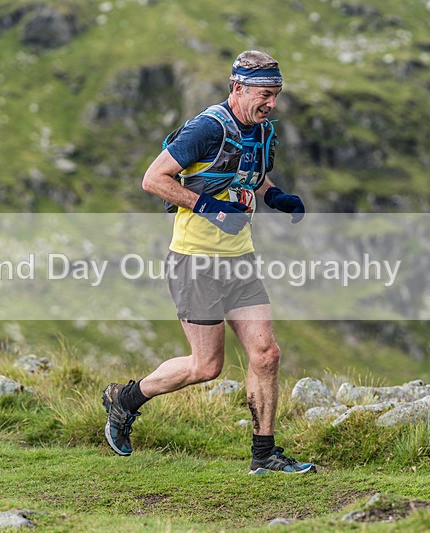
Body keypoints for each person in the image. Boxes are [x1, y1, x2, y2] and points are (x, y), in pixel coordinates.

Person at [103, 51, 313, 474]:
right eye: (264, 95)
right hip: (194, 262)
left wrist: (275, 197)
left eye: (276, 95)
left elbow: (253, 177)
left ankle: (264, 455)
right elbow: (153, 179)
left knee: (266, 354)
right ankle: (124, 401)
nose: (271, 104)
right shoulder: (206, 128)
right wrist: (212, 209)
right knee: (206, 367)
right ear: (238, 88)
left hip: (240, 262)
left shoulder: (261, 130)